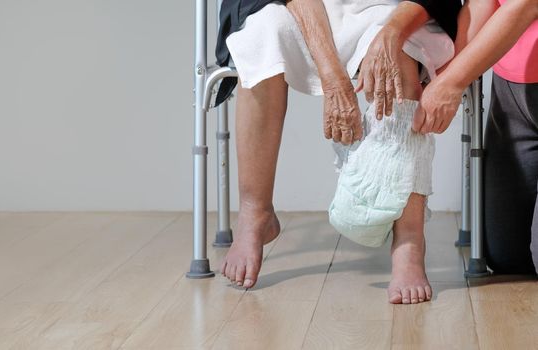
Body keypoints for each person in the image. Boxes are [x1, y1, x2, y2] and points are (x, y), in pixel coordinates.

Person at [214, 0, 461, 304]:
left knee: (400, 54)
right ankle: (255, 213)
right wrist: (332, 78)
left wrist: (392, 32)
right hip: (305, 8)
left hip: (394, 8)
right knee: (261, 33)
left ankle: (409, 241)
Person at [414, 0, 538, 274]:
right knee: (503, 255)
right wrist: (443, 72)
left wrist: (452, 82)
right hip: (512, 95)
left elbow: (526, 4)